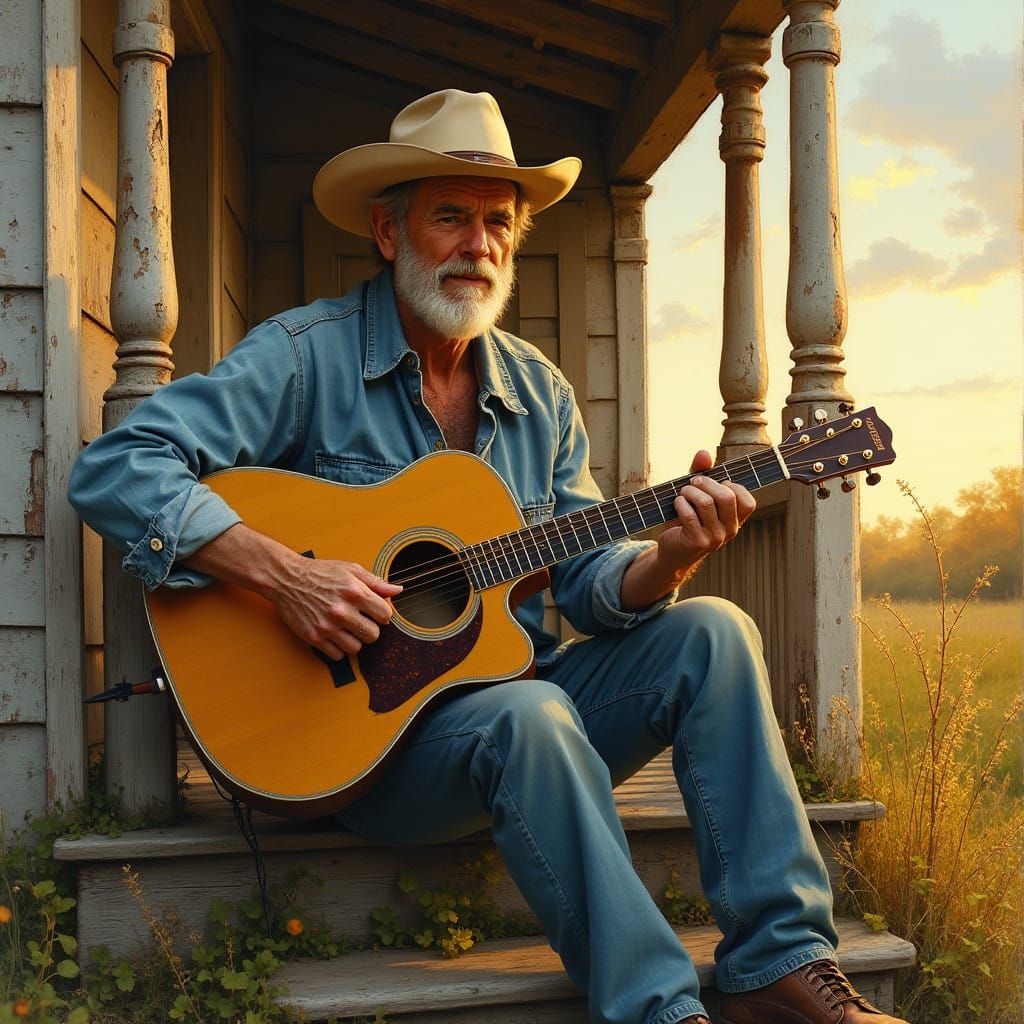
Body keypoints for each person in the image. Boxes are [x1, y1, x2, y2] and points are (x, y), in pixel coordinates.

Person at [69, 89, 908, 1024]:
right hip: (367, 754)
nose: (480, 244)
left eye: (499, 222)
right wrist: (285, 575)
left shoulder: (537, 393)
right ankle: (662, 1011)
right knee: (531, 709)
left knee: (714, 632)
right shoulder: (305, 358)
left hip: (517, 717)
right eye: (451, 217)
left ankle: (779, 964)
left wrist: (668, 557)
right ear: (389, 233)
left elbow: (589, 584)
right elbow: (118, 467)